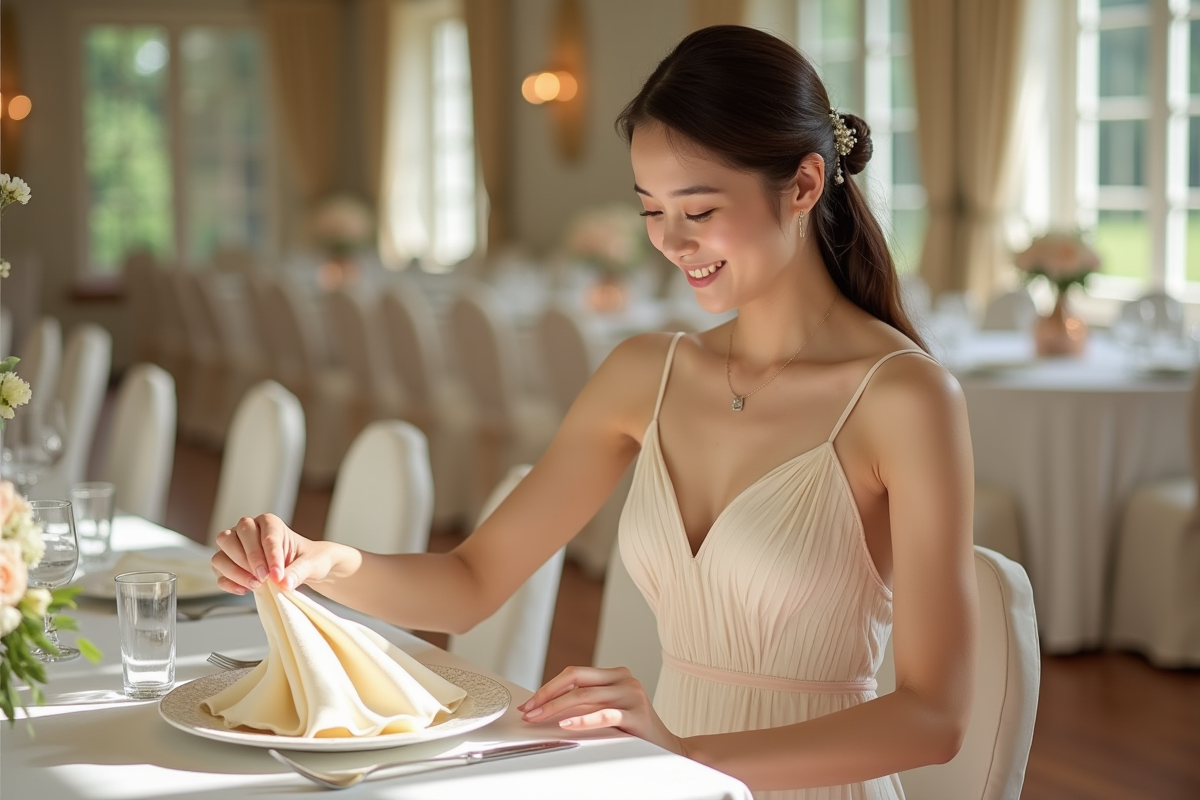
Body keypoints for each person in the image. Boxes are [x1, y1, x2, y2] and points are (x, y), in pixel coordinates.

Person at [212, 25, 977, 799]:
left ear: (805, 185)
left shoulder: (903, 399)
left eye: (699, 209)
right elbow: (472, 579)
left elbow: (933, 718)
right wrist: (323, 561)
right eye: (651, 211)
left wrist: (685, 753)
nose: (673, 244)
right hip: (663, 776)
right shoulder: (646, 373)